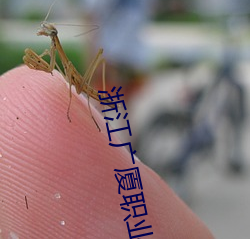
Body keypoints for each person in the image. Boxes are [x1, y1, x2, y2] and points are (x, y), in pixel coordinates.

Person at [0, 66, 213, 238]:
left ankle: (129, 151)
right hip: (112, 83)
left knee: (114, 146)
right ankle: (129, 151)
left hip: (111, 82)